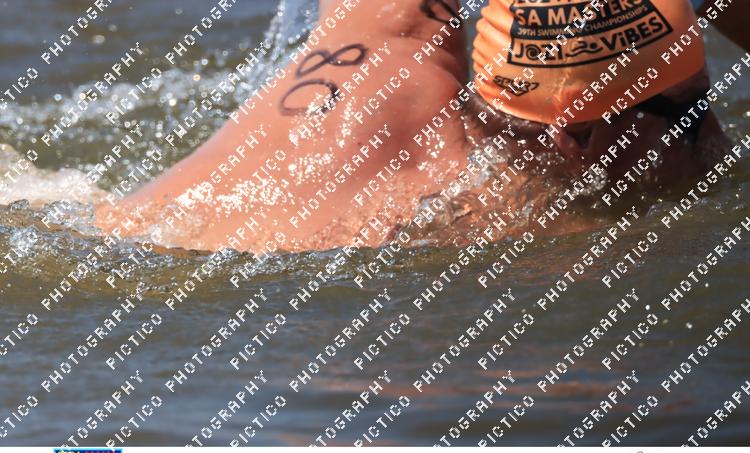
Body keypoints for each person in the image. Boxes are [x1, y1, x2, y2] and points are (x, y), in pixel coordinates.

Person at [94, 0, 742, 253]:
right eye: (690, 116)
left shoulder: (377, 36)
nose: (716, 137)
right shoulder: (543, 241)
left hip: (93, 222)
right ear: (578, 138)